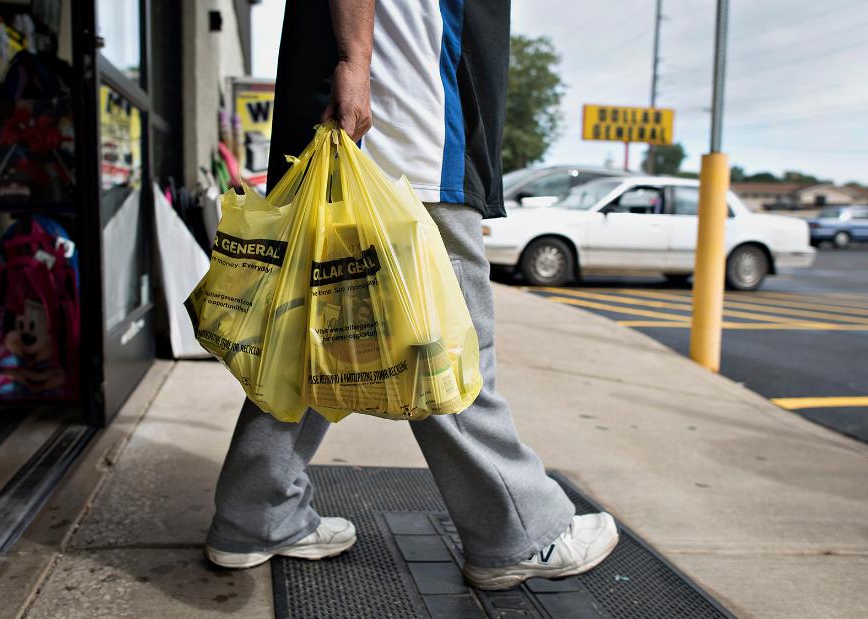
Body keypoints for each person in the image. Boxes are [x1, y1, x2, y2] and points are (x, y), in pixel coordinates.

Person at [204, 0, 619, 590]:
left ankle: (255, 515)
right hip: (409, 135)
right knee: (447, 350)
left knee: (313, 346)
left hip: (364, 132)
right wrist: (355, 61)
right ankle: (520, 534)